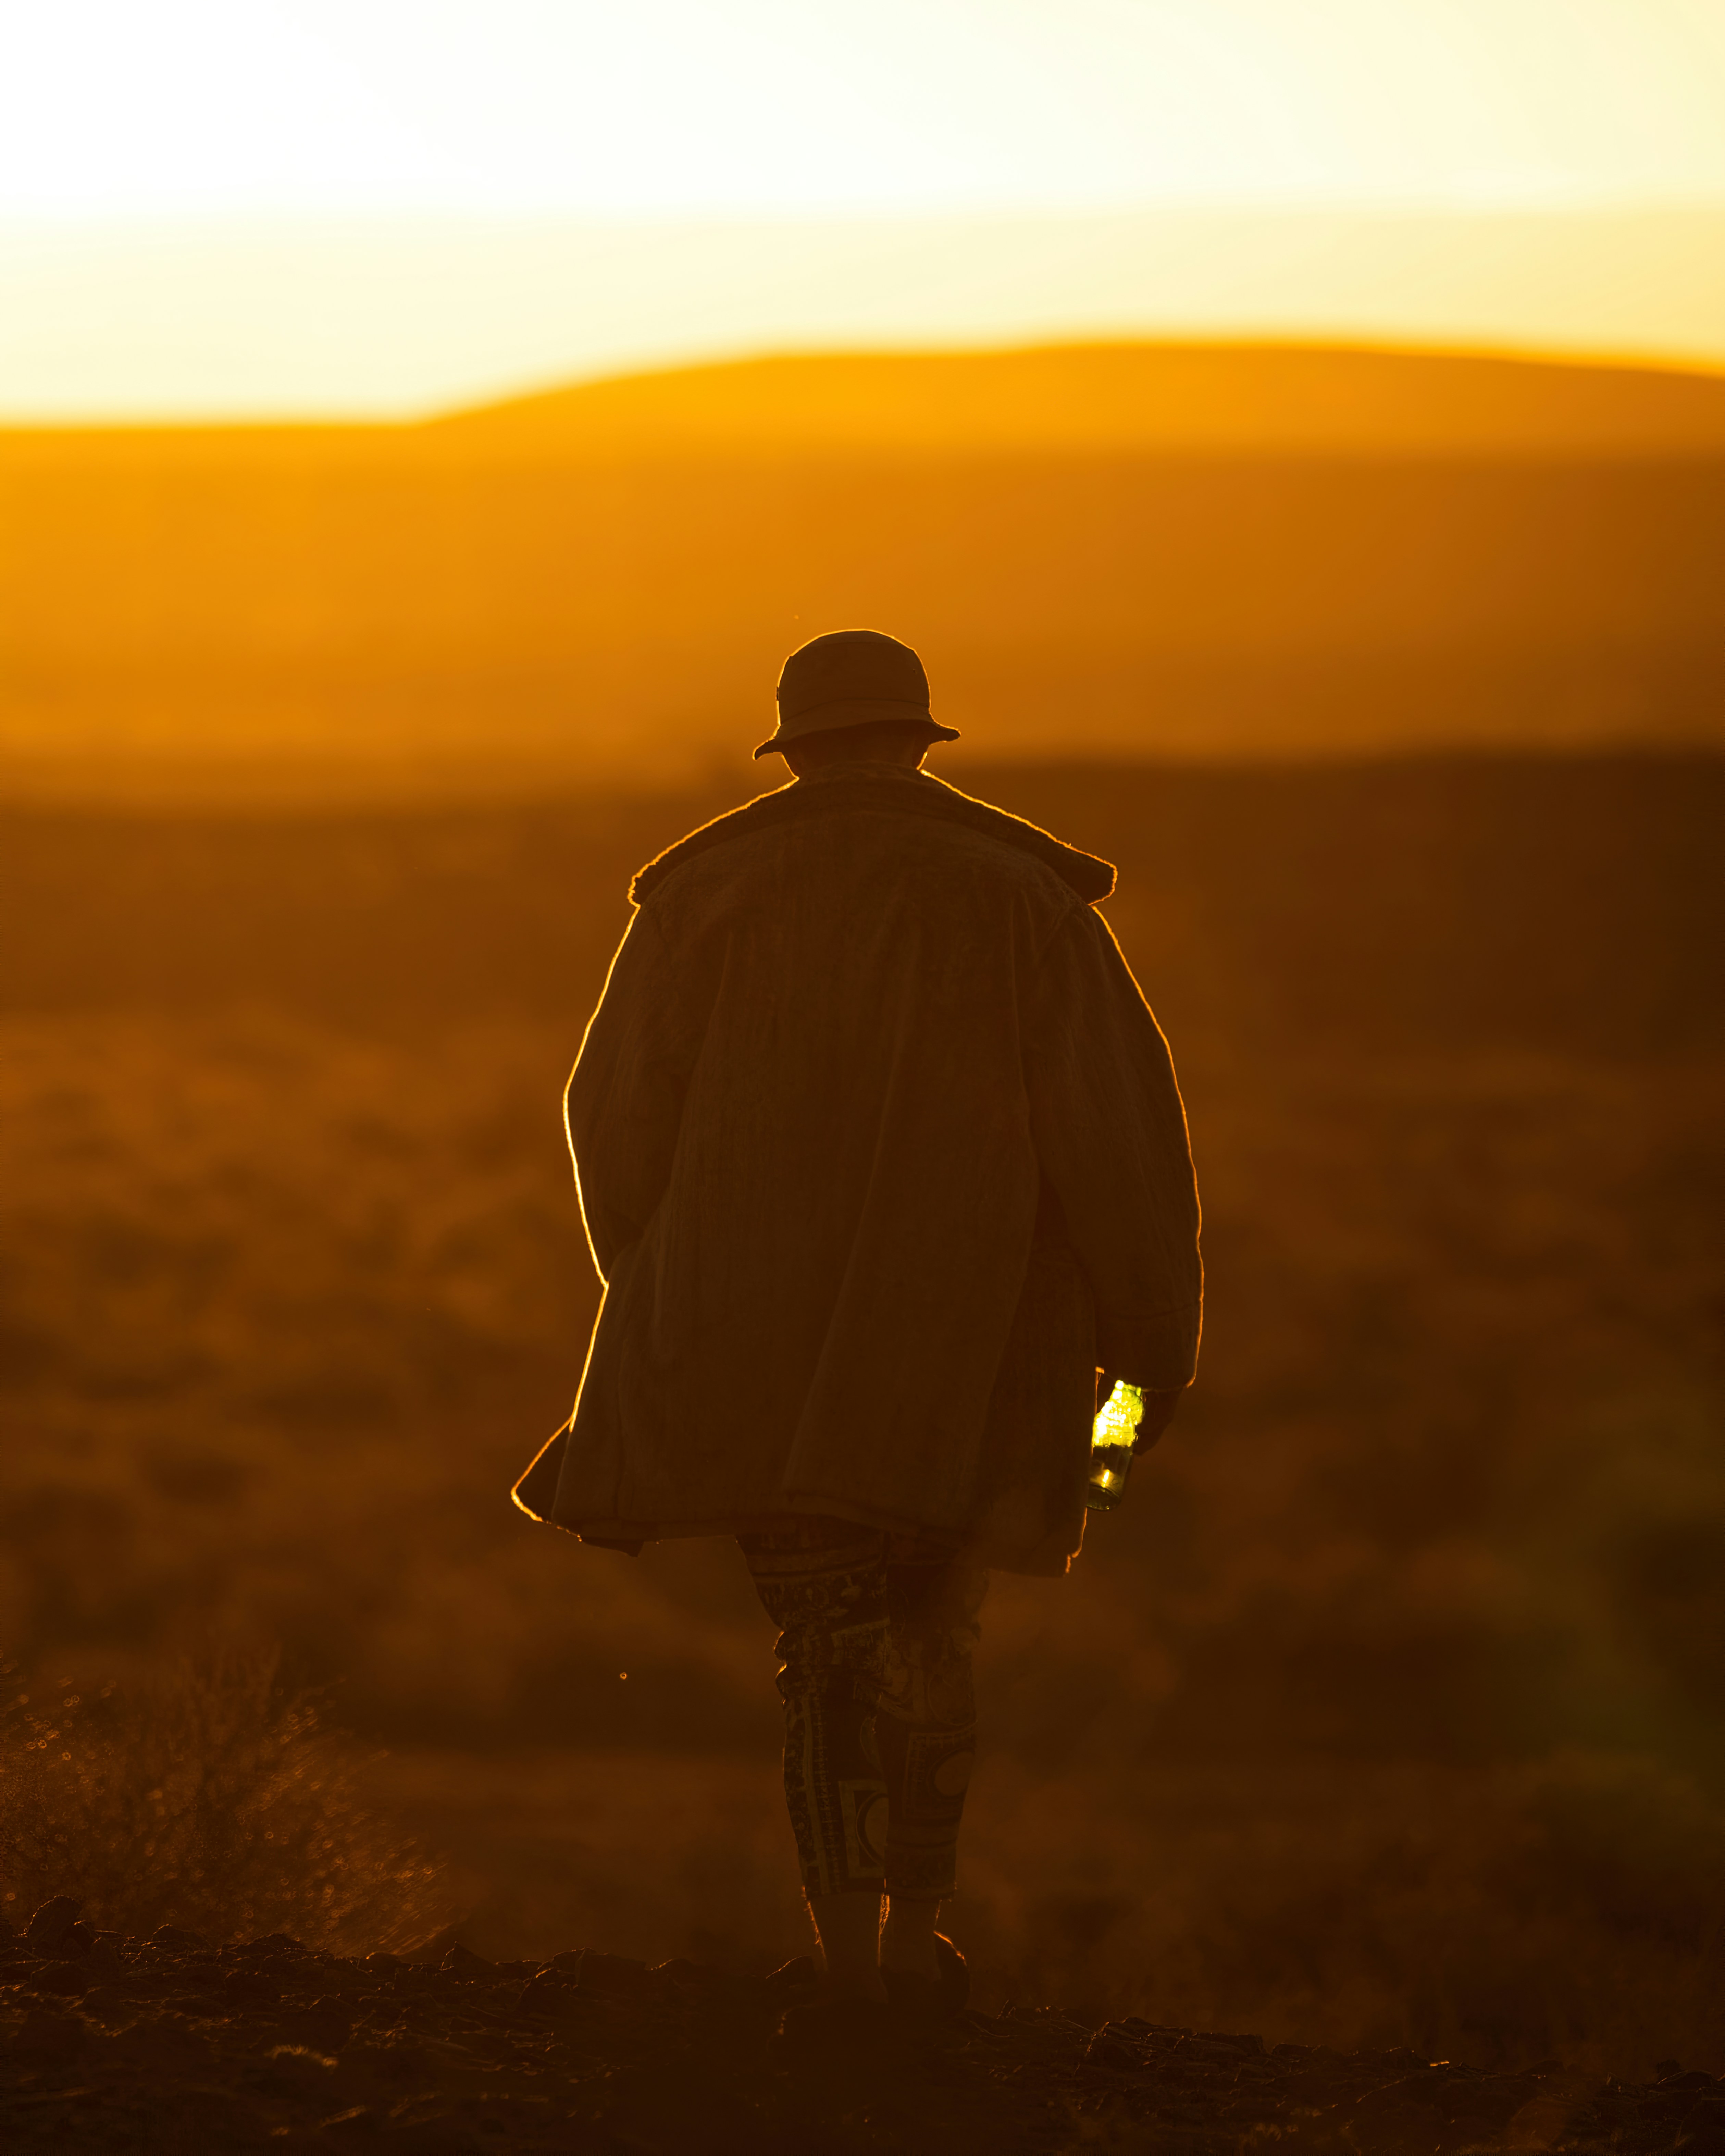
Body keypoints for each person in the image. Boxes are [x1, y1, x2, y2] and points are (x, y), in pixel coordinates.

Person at [514, 628, 1202, 2021]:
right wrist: (1147, 1346)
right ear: (919, 739)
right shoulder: (1026, 900)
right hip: (978, 1344)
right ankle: (912, 1942)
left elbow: (611, 1122)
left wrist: (660, 1290)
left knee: (818, 1641)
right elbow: (1120, 1141)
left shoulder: (698, 896)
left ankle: (838, 1953)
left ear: (795, 746)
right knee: (932, 1626)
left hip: (743, 1339)